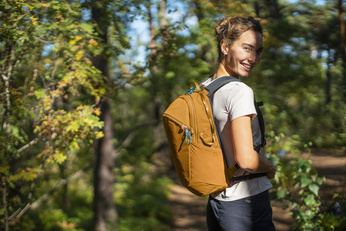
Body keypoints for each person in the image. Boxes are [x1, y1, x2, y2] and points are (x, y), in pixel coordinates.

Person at [201, 16, 276, 231]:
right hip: (246, 202)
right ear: (225, 46)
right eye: (247, 48)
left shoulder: (205, 88)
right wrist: (269, 167)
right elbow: (246, 160)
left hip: (217, 200)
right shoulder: (239, 91)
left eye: (258, 51)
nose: (253, 58)